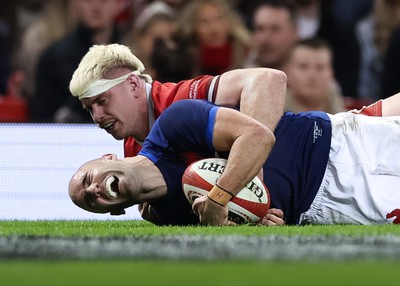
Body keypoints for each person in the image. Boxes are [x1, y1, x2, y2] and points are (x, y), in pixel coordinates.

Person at [69, 96, 400, 226]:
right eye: (90, 200)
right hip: (325, 206)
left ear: (107, 157)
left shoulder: (173, 124)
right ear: (112, 211)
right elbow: (236, 236)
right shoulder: (167, 219)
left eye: (88, 179)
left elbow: (258, 137)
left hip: (336, 142)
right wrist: (263, 230)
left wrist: (218, 197)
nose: (94, 189)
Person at [69, 43, 287, 157]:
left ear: (133, 85)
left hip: (317, 155)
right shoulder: (131, 148)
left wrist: (252, 181)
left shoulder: (178, 100)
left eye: (102, 101)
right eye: (90, 109)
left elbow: (268, 79)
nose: (97, 116)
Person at [29, 0, 122, 123]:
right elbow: (42, 120)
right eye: (88, 1)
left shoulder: (135, 53)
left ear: (118, 4)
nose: (95, 7)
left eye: (103, 1)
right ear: (74, 4)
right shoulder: (53, 59)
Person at [284, 38, 346, 114]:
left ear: (331, 73)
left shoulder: (350, 121)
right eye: (303, 67)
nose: (312, 75)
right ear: (288, 72)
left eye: (320, 67)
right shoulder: (272, 118)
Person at [244, 0, 298, 70]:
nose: (266, 38)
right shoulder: (240, 75)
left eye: (275, 29)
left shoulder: (311, 75)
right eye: (260, 29)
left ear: (294, 32)